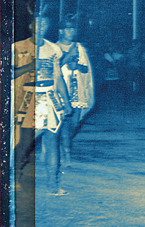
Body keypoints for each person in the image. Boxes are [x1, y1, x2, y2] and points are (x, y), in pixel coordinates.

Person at [13, 12, 70, 195]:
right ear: (30, 26)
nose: (41, 26)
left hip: (50, 98)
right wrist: (29, 67)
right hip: (27, 98)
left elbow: (58, 76)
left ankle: (53, 185)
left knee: (52, 141)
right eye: (37, 23)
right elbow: (9, 73)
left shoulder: (54, 49)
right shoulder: (17, 47)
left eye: (45, 23)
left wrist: (66, 100)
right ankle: (15, 177)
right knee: (24, 142)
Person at [56, 16, 95, 167]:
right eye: (68, 29)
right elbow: (52, 68)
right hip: (61, 89)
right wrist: (67, 57)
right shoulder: (54, 47)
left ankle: (61, 145)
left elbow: (86, 68)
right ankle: (66, 153)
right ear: (61, 31)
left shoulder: (79, 47)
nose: (71, 31)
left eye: (73, 28)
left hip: (77, 90)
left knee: (75, 123)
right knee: (64, 123)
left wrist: (77, 65)